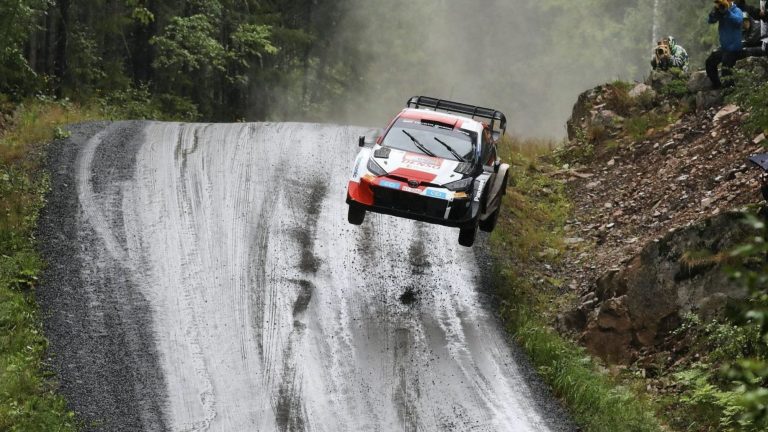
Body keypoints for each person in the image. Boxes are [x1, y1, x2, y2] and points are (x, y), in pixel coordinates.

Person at [705, 0, 746, 88]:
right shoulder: (720, 11)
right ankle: (717, 85)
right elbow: (710, 21)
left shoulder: (737, 10)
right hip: (724, 48)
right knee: (709, 62)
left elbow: (738, 21)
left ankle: (729, 89)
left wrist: (727, 12)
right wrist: (714, 12)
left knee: (726, 68)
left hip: (734, 48)